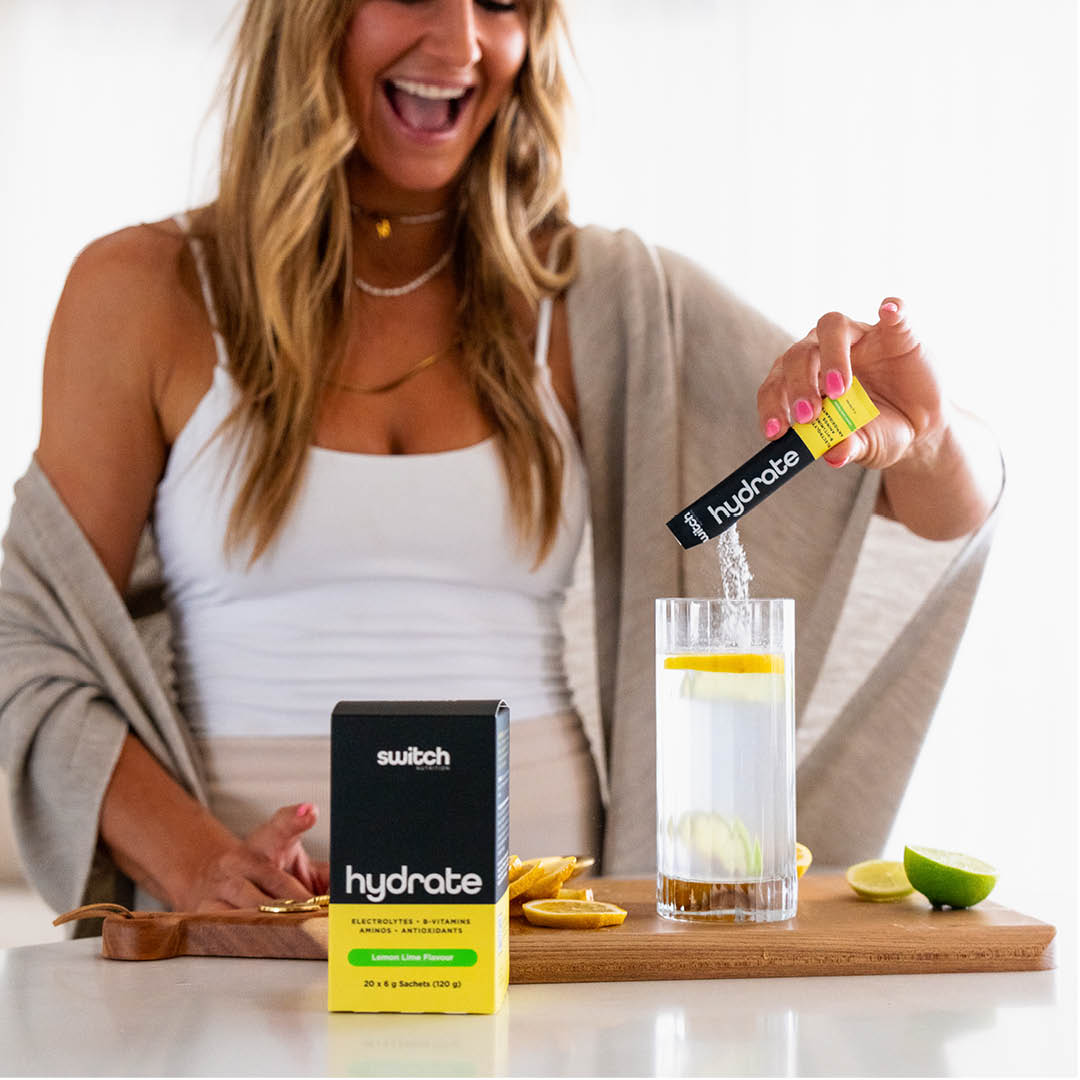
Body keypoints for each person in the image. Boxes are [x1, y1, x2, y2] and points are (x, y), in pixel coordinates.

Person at [0, 0, 1001, 919]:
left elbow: (938, 508)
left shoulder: (604, 300)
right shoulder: (143, 293)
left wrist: (926, 431)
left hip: (550, 952)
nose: (462, 42)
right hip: (244, 955)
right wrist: (194, 863)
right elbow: (24, 644)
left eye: (503, 3)